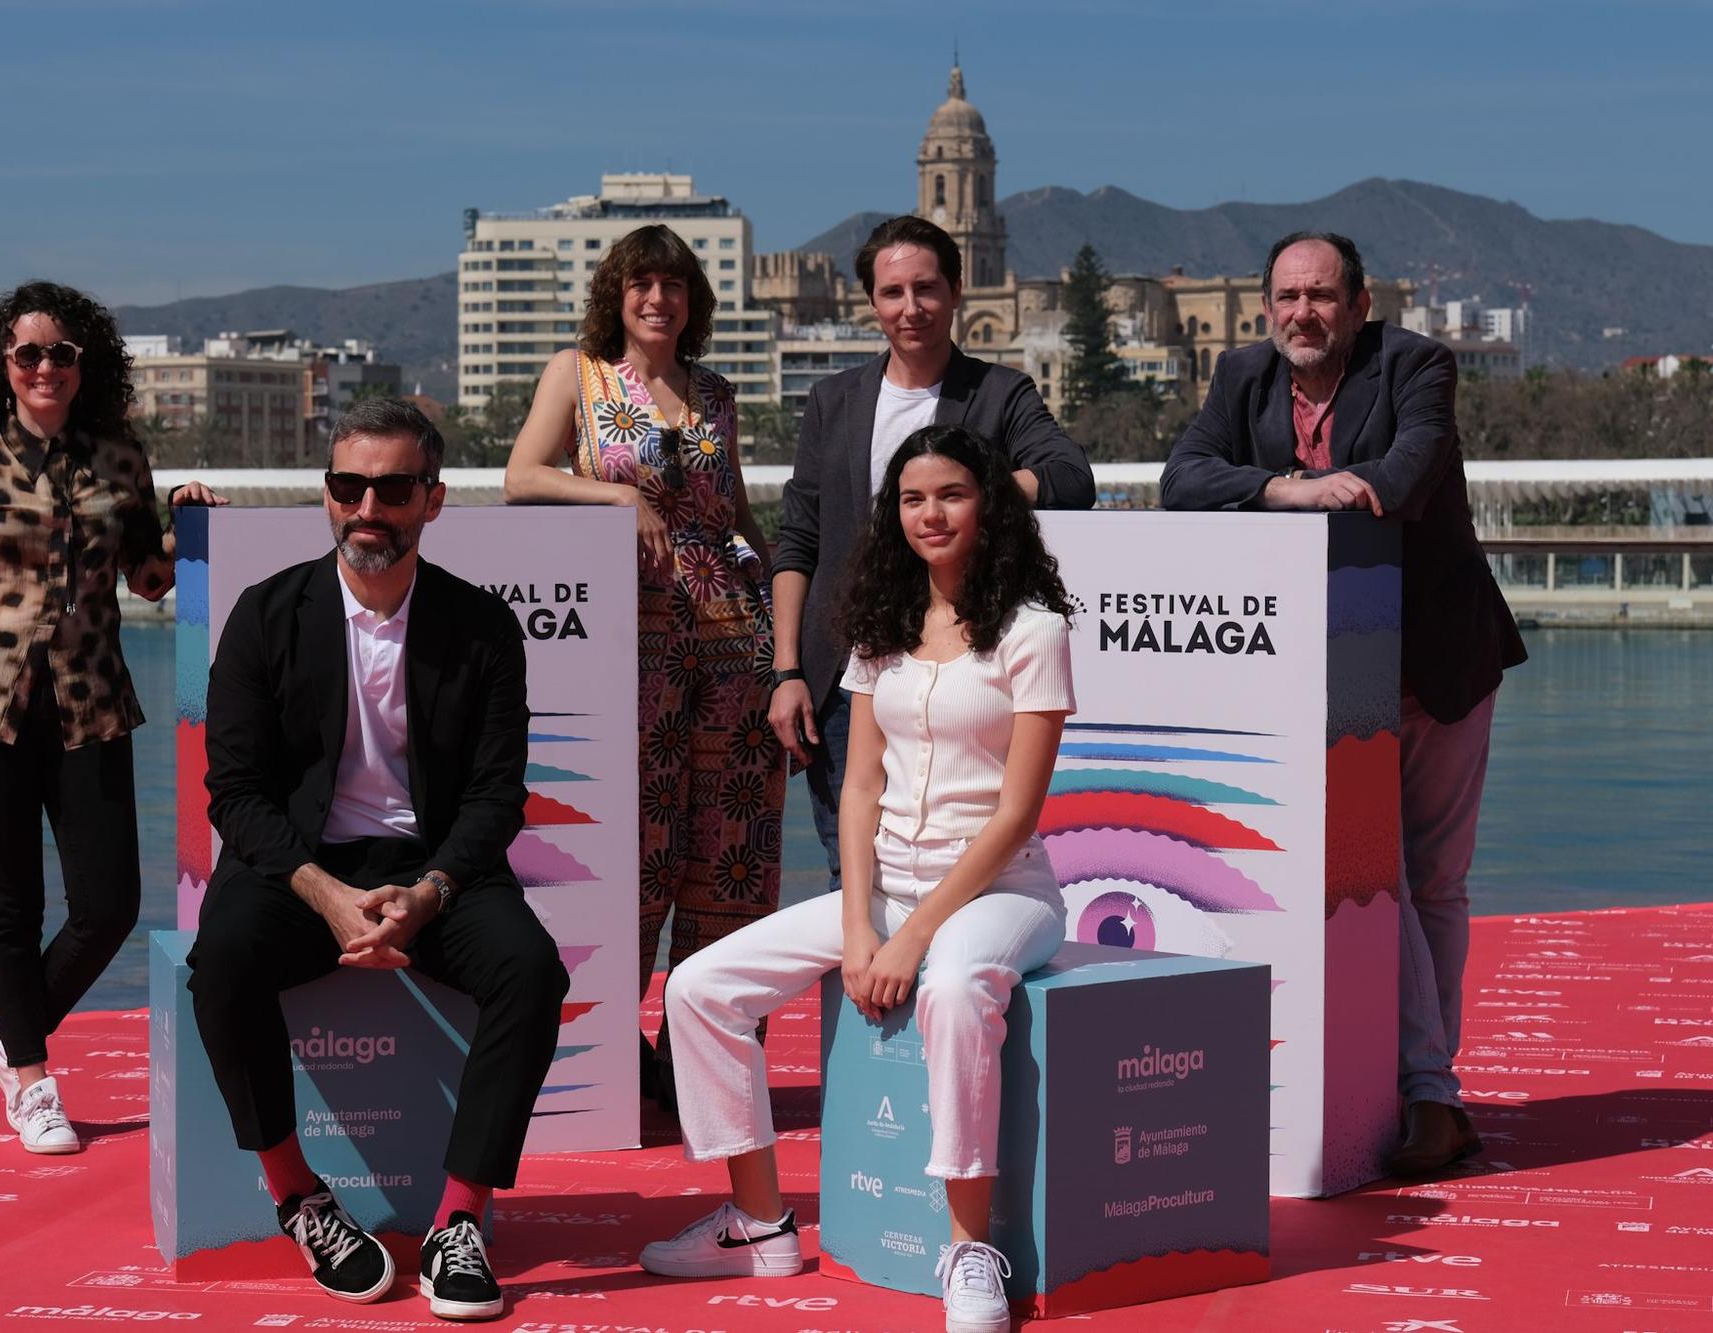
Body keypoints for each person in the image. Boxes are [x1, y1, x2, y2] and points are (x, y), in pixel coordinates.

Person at [641, 425, 1077, 1333]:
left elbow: (1014, 817)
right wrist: (856, 929)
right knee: (697, 985)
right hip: (885, 887)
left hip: (1004, 894)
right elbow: (860, 787)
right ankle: (761, 1222)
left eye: (951, 494)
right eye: (914, 499)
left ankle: (967, 1249)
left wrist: (912, 940)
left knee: (954, 989)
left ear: (989, 503)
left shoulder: (1035, 631)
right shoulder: (879, 628)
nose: (932, 514)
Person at [188, 398, 569, 1319]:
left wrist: (432, 890)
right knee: (221, 960)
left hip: (434, 867)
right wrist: (323, 894)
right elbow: (234, 792)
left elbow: (496, 795)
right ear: (327, 495)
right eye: (347, 485)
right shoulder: (264, 614)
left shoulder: (481, 626)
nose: (367, 507)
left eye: (392, 488)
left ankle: (460, 1220)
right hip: (301, 868)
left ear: (431, 500)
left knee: (531, 970)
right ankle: (298, 1195)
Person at [1159, 230, 1527, 1176]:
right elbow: (1183, 479)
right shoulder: (1242, 379)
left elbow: (1402, 479)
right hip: (1322, 683)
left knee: (1433, 881)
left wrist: (1317, 493)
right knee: (1381, 872)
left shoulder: (1418, 365)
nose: (1302, 314)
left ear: (1360, 305)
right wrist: (1288, 487)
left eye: (1321, 297)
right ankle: (1429, 1097)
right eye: (1286, 298)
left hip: (1439, 665)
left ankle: (1430, 1089)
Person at [0, 280, 222, 1155]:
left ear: (86, 366)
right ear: (1, 368)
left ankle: (10, 1039)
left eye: (62, 353)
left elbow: (148, 578)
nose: (45, 366)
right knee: (8, 901)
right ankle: (36, 1082)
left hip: (92, 708)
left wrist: (186, 530)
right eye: (28, 353)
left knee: (109, 902)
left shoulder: (120, 458)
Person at [506, 223, 782, 1105]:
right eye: (641, 284)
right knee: (638, 847)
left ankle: (699, 1053)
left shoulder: (717, 391)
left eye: (673, 285)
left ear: (693, 299)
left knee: (730, 849)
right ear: (617, 296)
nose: (657, 299)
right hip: (631, 645)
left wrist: (790, 594)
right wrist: (616, 494)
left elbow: (735, 505)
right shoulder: (576, 376)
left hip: (735, 640)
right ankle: (606, 1046)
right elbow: (521, 477)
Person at [768, 214, 1094, 900]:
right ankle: (865, 1001)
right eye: (892, 292)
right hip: (843, 684)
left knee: (955, 885)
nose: (909, 308)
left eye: (925, 289)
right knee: (848, 883)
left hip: (958, 675)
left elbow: (1070, 477)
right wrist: (787, 669)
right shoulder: (834, 402)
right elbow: (798, 539)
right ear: (871, 302)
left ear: (956, 292)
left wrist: (970, 493)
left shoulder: (1001, 393)